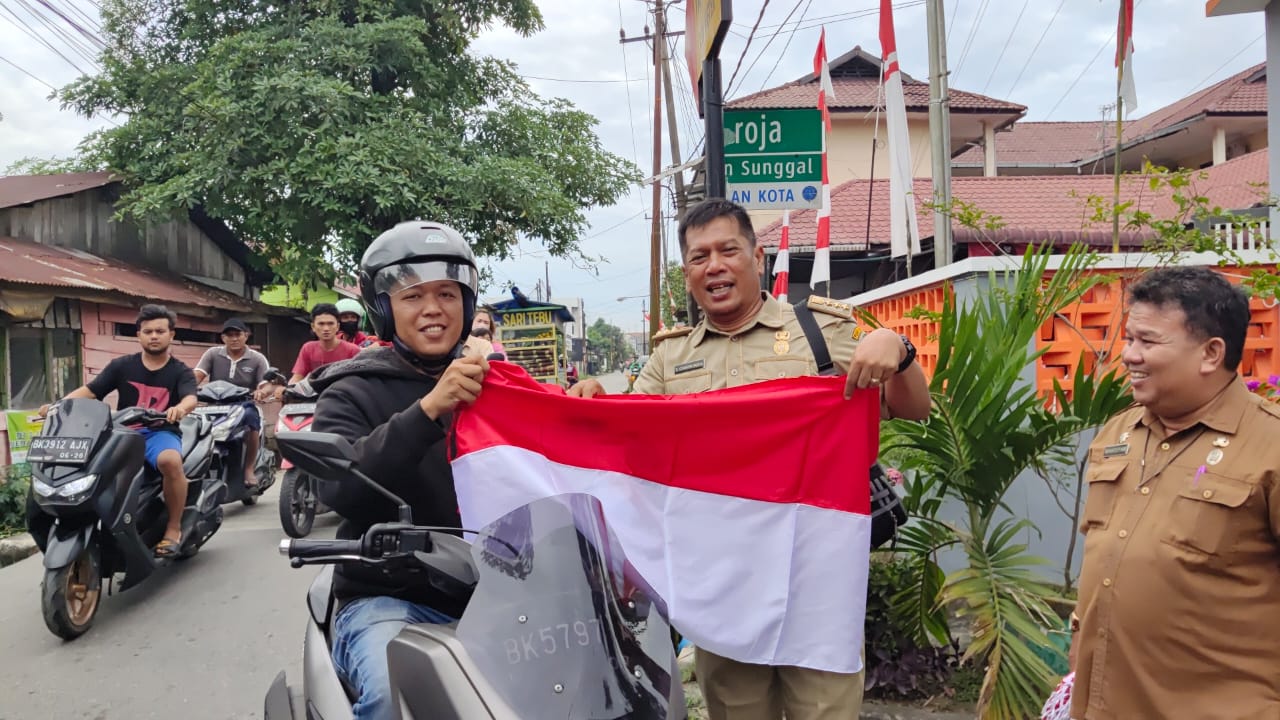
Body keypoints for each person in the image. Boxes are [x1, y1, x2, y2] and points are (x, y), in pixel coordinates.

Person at [571, 198, 931, 720]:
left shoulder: (821, 332)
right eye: (698, 257)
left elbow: (913, 409)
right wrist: (585, 405)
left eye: (727, 250)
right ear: (688, 273)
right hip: (724, 587)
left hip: (816, 579)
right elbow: (629, 437)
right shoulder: (670, 359)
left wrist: (896, 347)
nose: (713, 265)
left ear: (757, 258)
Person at [1071, 266, 1280, 720]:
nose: (1129, 355)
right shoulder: (1117, 432)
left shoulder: (1271, 448)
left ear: (1210, 353)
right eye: (1129, 339)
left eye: (1148, 342)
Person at [307, 220, 489, 720]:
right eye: (412, 296)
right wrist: (430, 410)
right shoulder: (352, 391)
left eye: (448, 294)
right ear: (384, 310)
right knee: (393, 696)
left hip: (501, 594)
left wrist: (581, 411)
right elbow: (338, 487)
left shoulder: (499, 386)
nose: (433, 308)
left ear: (466, 305)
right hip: (391, 597)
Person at [39, 304, 198, 558]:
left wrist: (180, 409)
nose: (154, 336)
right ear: (139, 335)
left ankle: (173, 527)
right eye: (148, 331)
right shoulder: (122, 366)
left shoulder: (180, 371)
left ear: (171, 335)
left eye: (159, 331)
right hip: (122, 432)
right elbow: (90, 391)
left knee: (170, 461)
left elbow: (191, 398)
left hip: (159, 433)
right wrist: (59, 406)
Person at [193, 318, 271, 488]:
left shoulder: (257, 358)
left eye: (238, 334)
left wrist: (261, 391)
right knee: (194, 425)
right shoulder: (213, 354)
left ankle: (249, 468)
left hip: (244, 405)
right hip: (214, 405)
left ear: (246, 336)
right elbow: (198, 375)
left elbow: (266, 383)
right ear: (223, 338)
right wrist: (187, 391)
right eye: (230, 335)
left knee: (252, 422)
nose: (234, 338)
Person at [273, 303, 362, 398]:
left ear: (337, 326)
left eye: (330, 323)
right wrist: (287, 389)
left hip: (344, 400)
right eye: (321, 324)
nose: (326, 328)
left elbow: (360, 383)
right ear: (313, 327)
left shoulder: (353, 350)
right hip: (314, 400)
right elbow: (297, 377)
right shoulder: (308, 348)